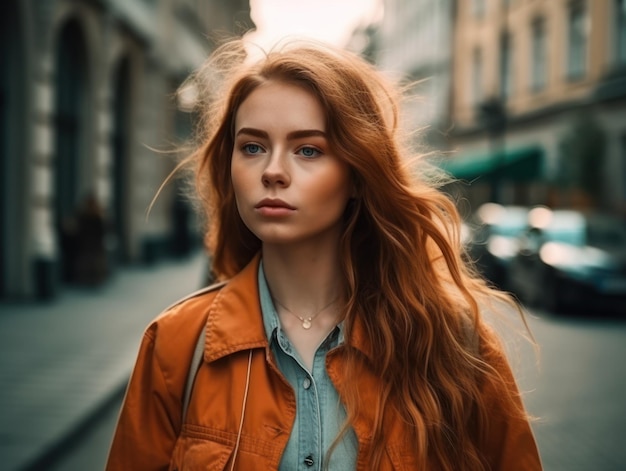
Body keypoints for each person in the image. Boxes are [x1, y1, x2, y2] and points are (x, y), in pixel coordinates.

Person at [106, 39, 542, 471]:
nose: (273, 171)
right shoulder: (176, 345)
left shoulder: (452, 343)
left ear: (357, 173)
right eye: (252, 147)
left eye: (308, 149)